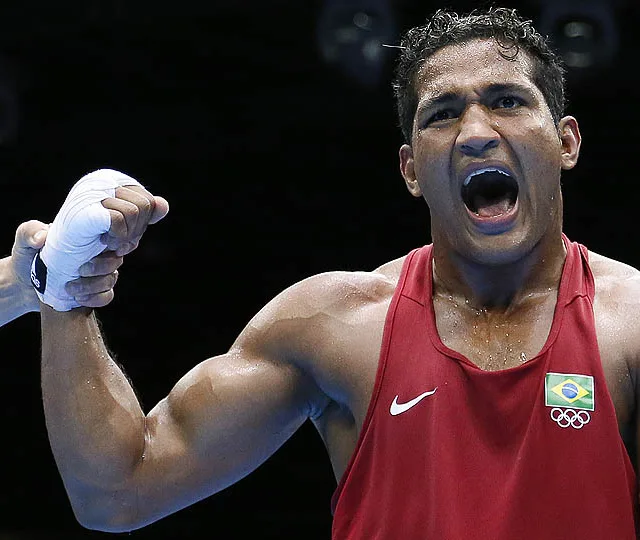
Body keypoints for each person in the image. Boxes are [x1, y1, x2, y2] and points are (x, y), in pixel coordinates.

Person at [36, 7, 640, 539]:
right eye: (443, 115)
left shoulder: (630, 324)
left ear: (566, 142)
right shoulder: (334, 327)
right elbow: (117, 491)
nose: (477, 134)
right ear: (410, 169)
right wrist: (66, 290)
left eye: (507, 101)